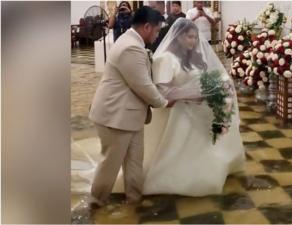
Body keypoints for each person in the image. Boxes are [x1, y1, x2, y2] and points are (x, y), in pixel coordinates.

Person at [142, 18, 245, 196]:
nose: (194, 41)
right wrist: (195, 94)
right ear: (178, 37)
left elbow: (200, 78)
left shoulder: (190, 56)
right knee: (179, 150)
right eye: (190, 37)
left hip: (194, 110)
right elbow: (163, 93)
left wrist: (216, 86)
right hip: (176, 114)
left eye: (196, 38)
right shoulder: (165, 58)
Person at [88, 6, 173, 208]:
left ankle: (134, 201)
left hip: (130, 116)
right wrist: (165, 102)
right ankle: (95, 204)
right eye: (157, 30)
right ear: (146, 27)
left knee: (134, 162)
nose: (158, 34)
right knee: (110, 164)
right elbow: (142, 85)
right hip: (115, 116)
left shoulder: (132, 41)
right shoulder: (130, 47)